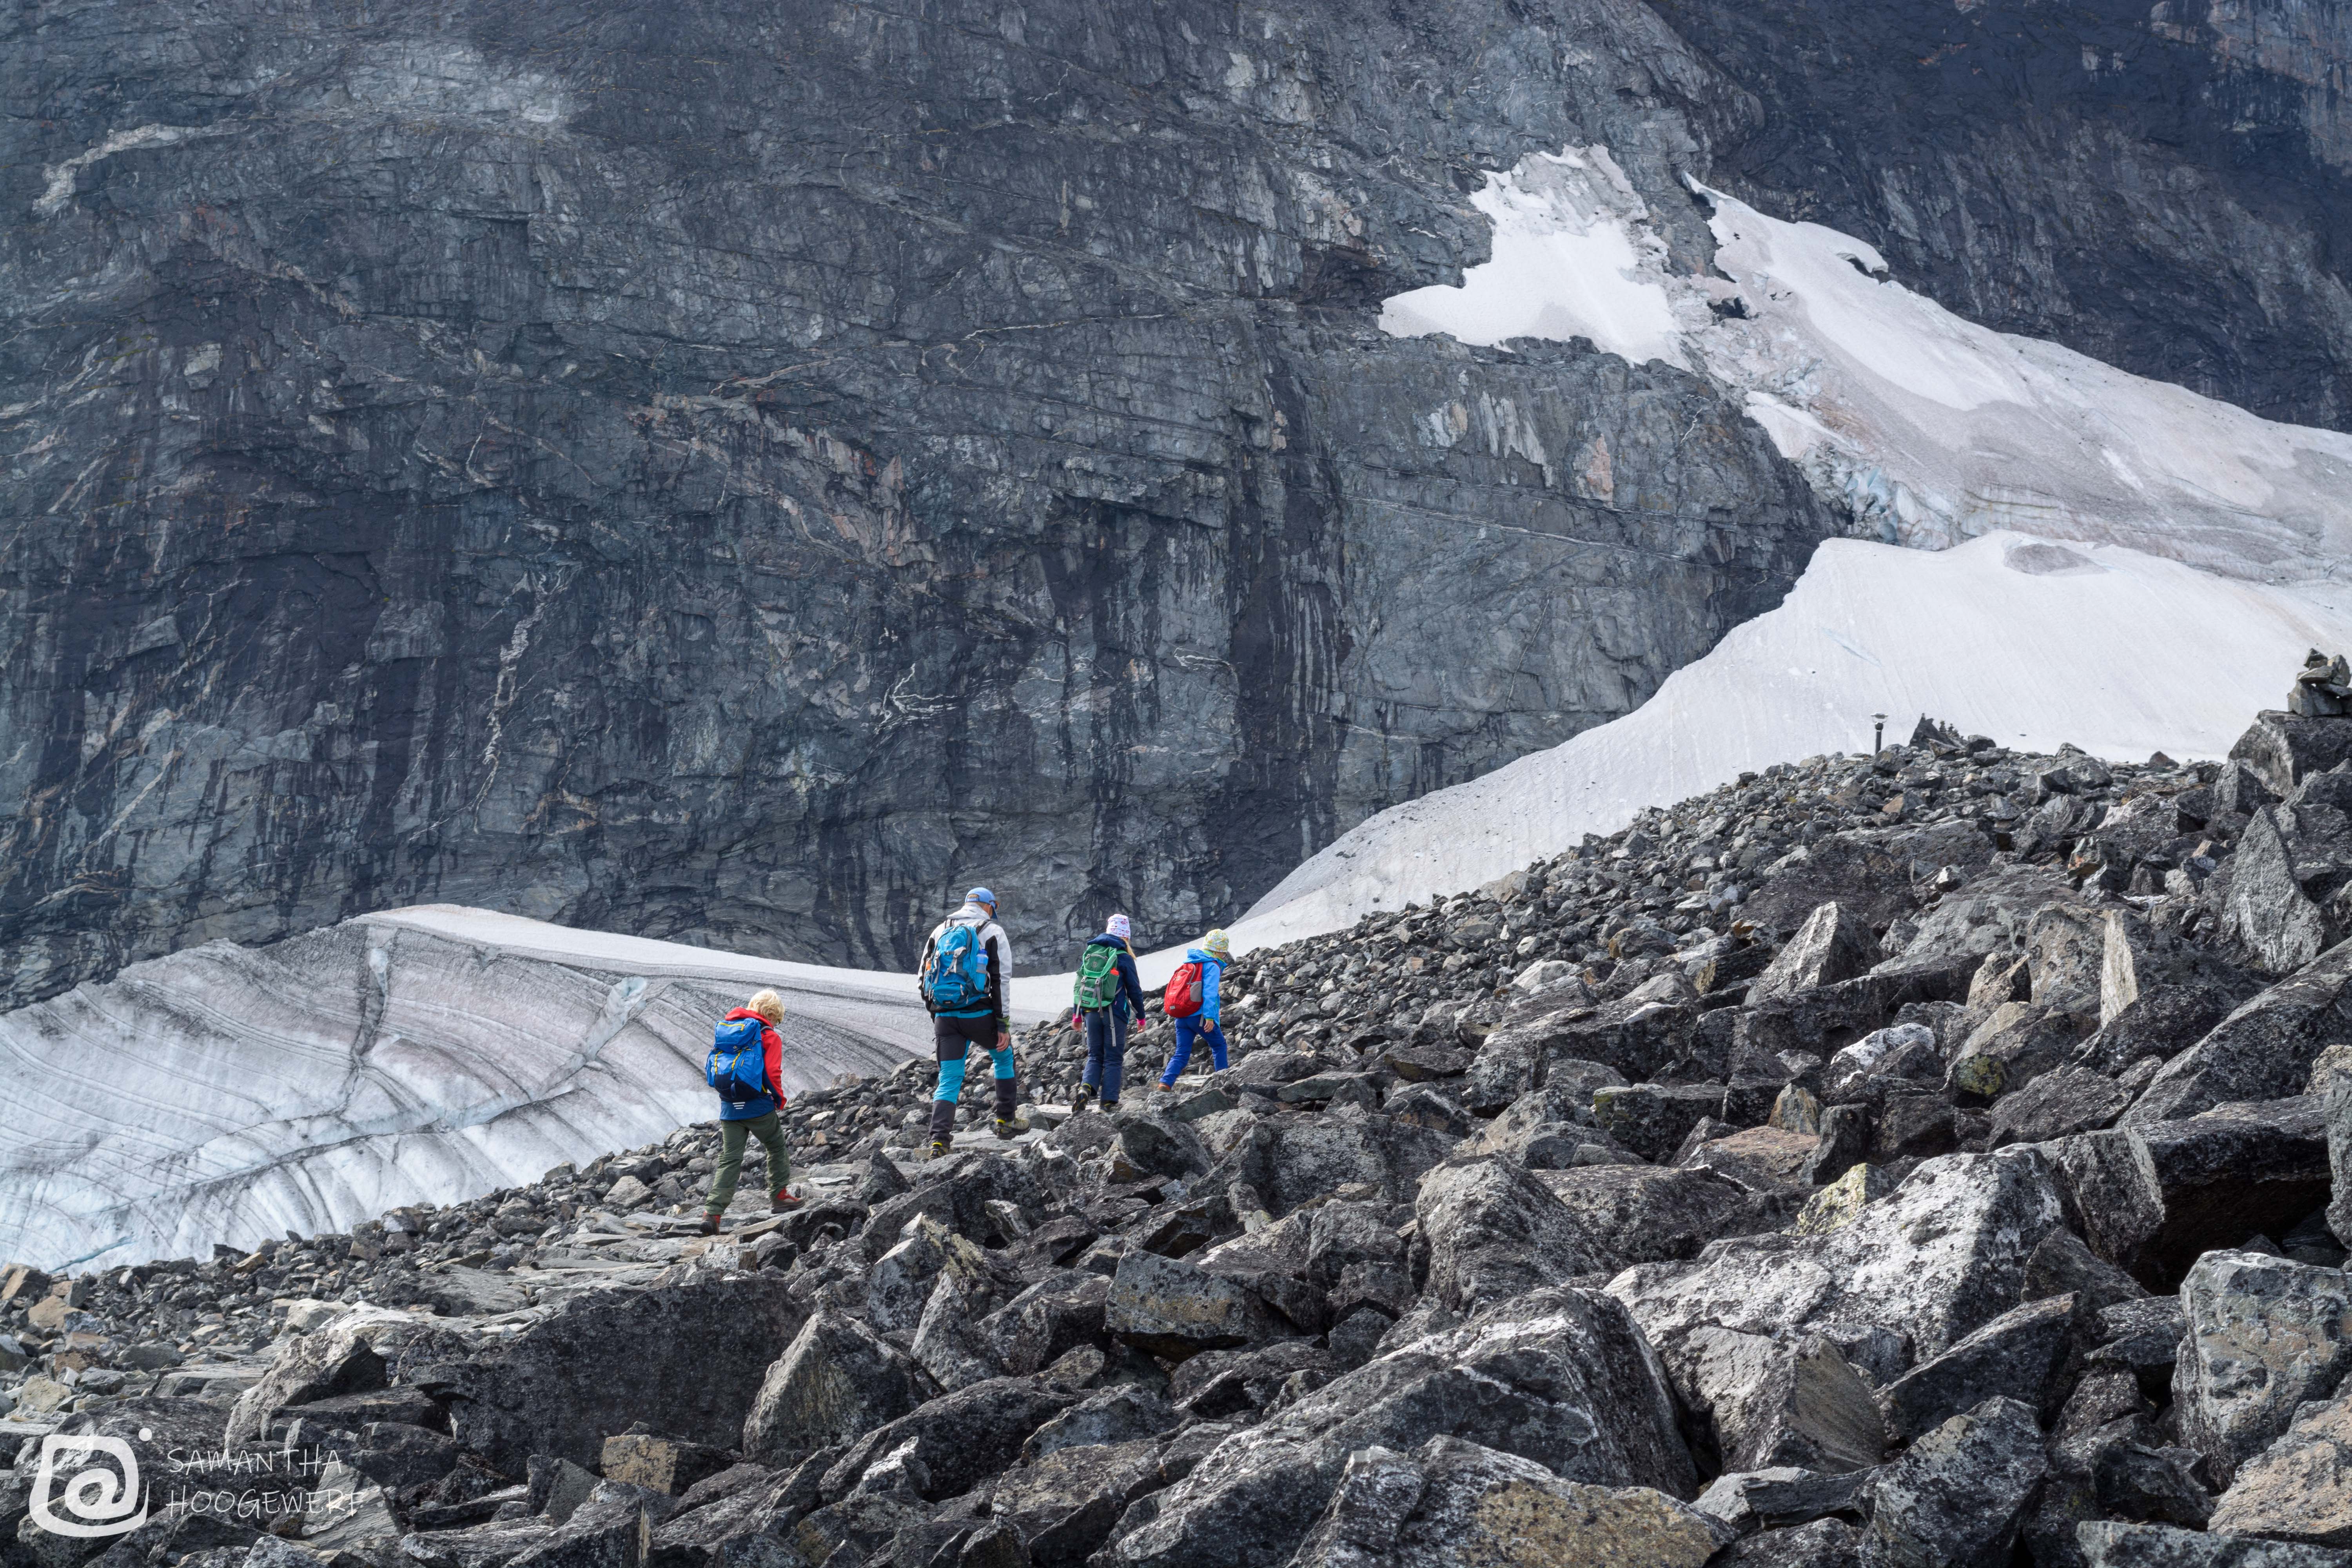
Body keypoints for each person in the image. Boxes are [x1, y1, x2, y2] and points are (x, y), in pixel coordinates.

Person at [918, 887, 1025, 1158]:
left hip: (945, 1017)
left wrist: (937, 1013)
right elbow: (1001, 980)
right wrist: (1002, 1025)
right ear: (989, 907)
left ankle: (939, 1141)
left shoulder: (940, 930)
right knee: (1003, 1058)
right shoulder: (992, 931)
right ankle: (1006, 1121)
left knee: (949, 1078)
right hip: (978, 1015)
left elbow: (923, 978)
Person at [701, 989, 801, 1234]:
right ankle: (779, 1196)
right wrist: (779, 1099)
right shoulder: (768, 1036)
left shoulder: (729, 1029)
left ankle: (712, 1214)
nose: (776, 1024)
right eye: (777, 1019)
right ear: (772, 1014)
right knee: (776, 1147)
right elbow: (772, 1073)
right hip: (758, 1107)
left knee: (730, 1158)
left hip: (729, 1106)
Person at [1070, 914, 1147, 1113]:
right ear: (1126, 936)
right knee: (1113, 1058)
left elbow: (1080, 985)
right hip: (1114, 1014)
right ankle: (1108, 1102)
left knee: (1095, 1055)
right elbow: (1134, 990)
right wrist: (1141, 1016)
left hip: (1090, 1012)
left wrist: (1077, 1015)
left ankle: (1086, 1088)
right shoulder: (1123, 957)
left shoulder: (1091, 953)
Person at [1153, 928, 1232, 1091]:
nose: (1224, 956)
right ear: (1217, 950)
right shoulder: (1212, 966)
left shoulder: (1189, 963)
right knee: (1219, 1046)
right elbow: (1210, 993)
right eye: (1223, 952)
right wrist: (1210, 1017)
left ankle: (1165, 1083)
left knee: (1181, 1053)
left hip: (1182, 1017)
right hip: (1200, 1017)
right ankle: (1223, 1084)